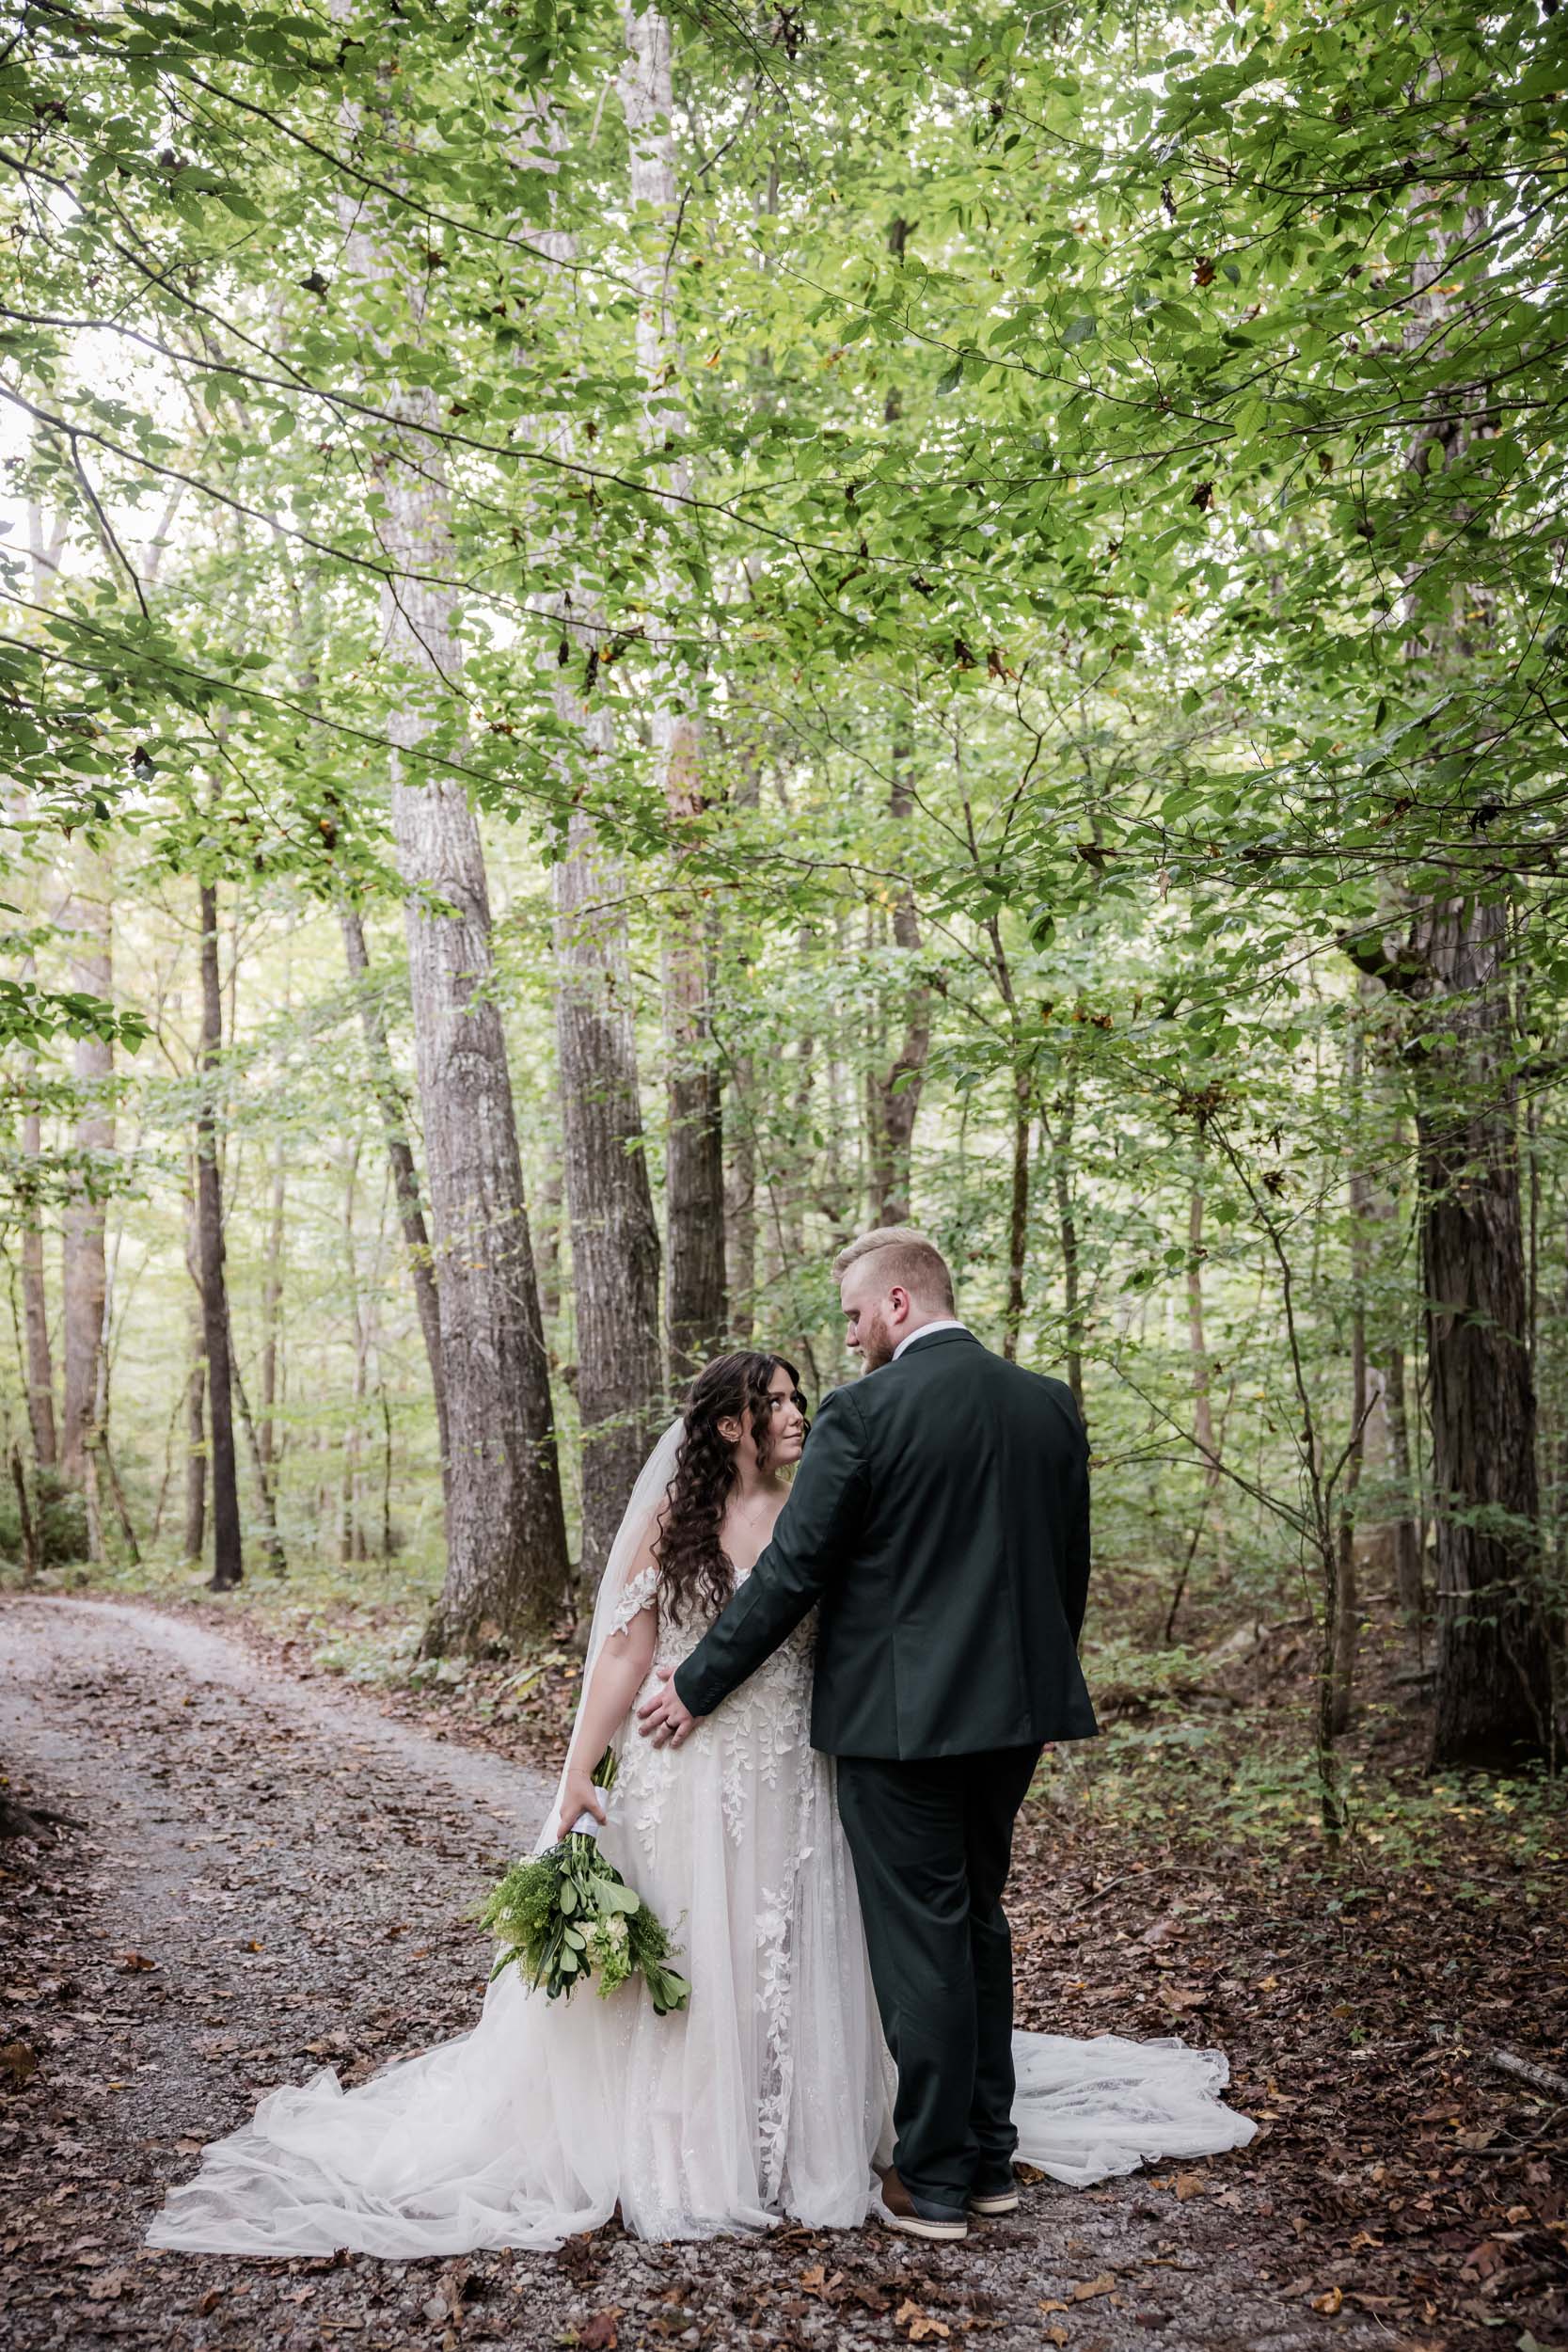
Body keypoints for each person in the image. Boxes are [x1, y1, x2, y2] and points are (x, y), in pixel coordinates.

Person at [148, 1252, 1254, 2259]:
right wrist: (1028, 1681)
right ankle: (978, 2145)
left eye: (856, 1314)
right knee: (973, 1920)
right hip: (1011, 1715)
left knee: (920, 1932)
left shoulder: (866, 1416)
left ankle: (941, 2178)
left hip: (894, 1727)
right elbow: (1059, 1569)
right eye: (774, 1392)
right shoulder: (1046, 1406)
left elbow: (795, 1574)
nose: (845, 1343)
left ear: (899, 1301)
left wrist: (701, 1682)